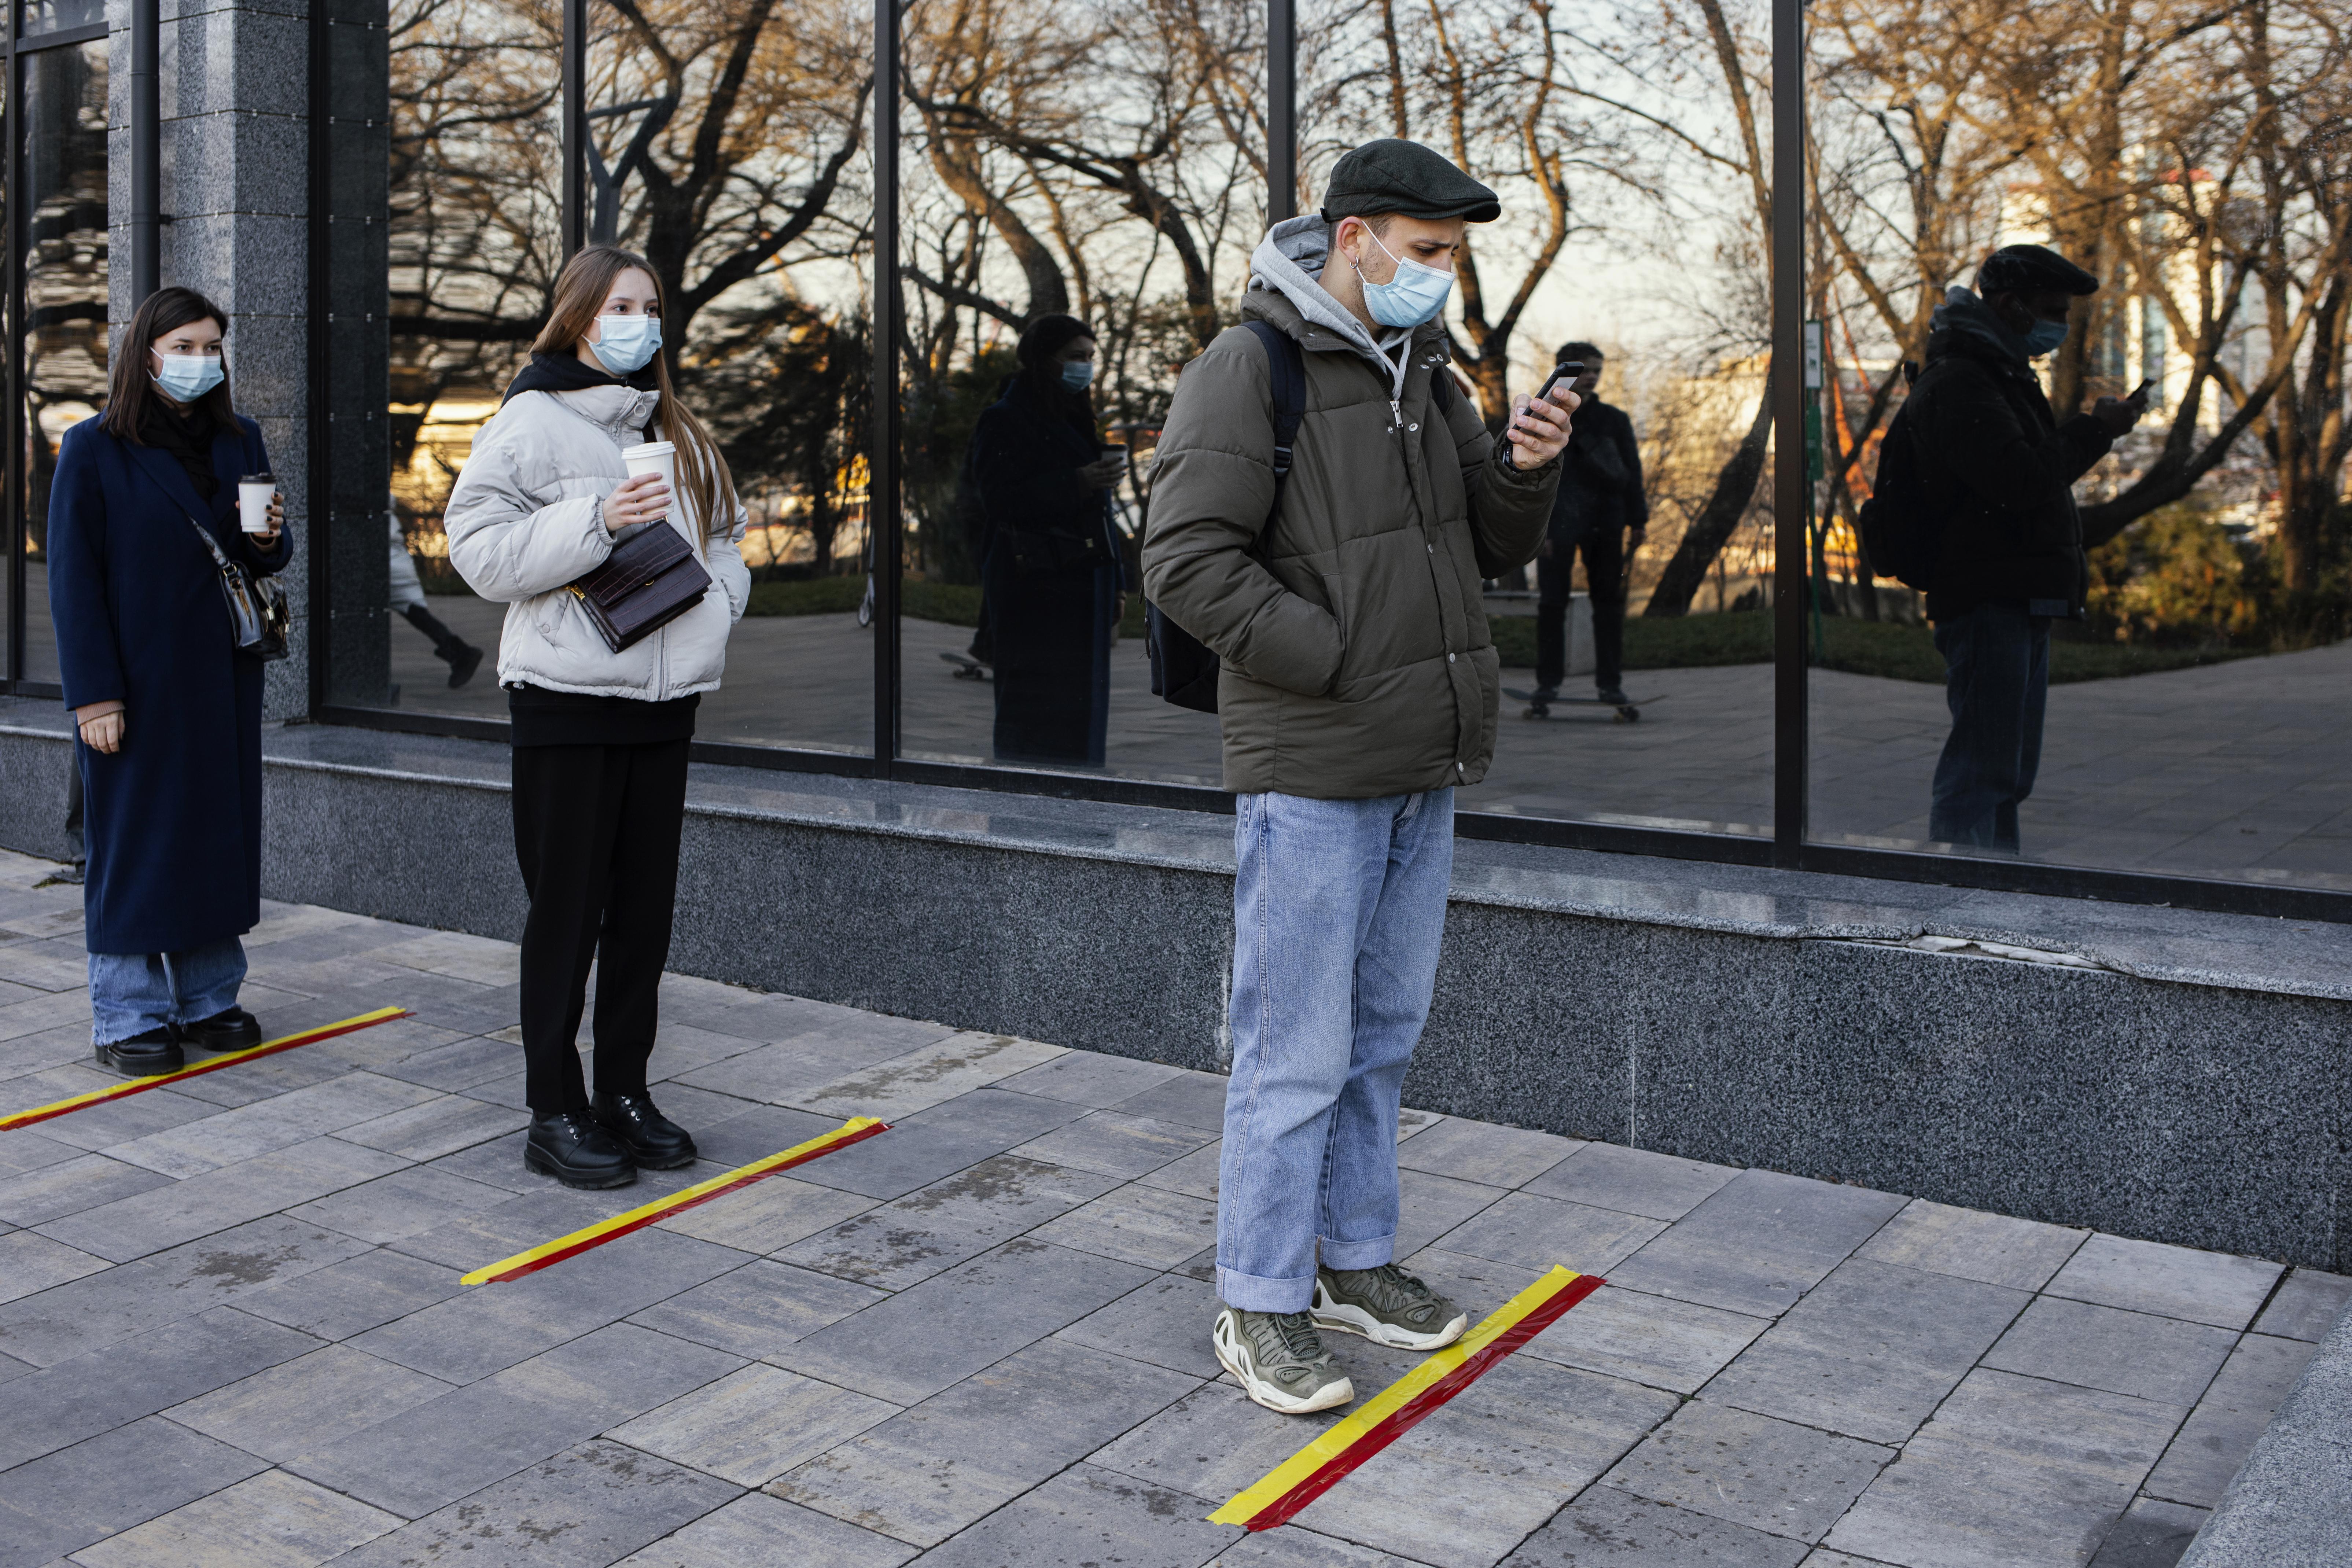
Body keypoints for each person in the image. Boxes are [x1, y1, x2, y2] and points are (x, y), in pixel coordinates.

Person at [1142, 139, 1575, 1414]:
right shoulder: (1250, 365)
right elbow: (1183, 557)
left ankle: (1353, 1260)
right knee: (1292, 1046)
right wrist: (1330, 657)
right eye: (1426, 253)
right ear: (1355, 240)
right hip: (1316, 760)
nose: (1441, 277)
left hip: (1418, 756)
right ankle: (1256, 1295)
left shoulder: (1423, 373)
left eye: (1453, 257)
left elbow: (1479, 543)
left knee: (1378, 1035)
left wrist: (1526, 470)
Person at [445, 244, 751, 1189]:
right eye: (620, 304)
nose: (638, 321)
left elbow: (734, 540)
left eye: (650, 306)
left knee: (643, 920)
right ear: (577, 316)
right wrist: (599, 523)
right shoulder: (529, 421)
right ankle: (553, 1106)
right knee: (566, 916)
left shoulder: (682, 428)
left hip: (664, 711)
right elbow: (478, 550)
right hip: (566, 706)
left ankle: (625, 1091)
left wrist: (718, 604)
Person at [46, 286, 289, 1075]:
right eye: (183, 347)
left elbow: (258, 560)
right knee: (134, 844)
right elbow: (73, 583)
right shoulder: (94, 447)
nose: (199, 361)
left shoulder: (238, 439)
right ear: (145, 353)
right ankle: (128, 1012)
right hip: (135, 681)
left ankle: (209, 996)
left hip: (220, 677)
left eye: (211, 347)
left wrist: (270, 540)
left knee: (213, 836)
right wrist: (95, 695)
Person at [1910, 243, 2146, 851]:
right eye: (2050, 310)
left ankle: (1995, 896)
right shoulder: (1965, 379)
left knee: (2005, 774)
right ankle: (1958, 905)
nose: (2058, 326)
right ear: (2009, 305)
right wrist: (2097, 429)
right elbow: (2020, 481)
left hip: (2015, 594)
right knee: (1981, 772)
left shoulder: (1998, 374)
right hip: (1990, 595)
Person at [971, 315, 1127, 765]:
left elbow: (1101, 513)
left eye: (1091, 358)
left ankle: (1079, 798)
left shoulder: (1076, 416)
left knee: (1080, 710)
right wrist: (1076, 481)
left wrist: (1116, 581)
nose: (1086, 367)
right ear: (1044, 361)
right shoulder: (1003, 420)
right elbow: (997, 501)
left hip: (1083, 584)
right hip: (1033, 588)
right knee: (1035, 712)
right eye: (1076, 357)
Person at [1532, 344, 1646, 712]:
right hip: (1558, 525)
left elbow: (1632, 471)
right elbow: (1530, 476)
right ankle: (1547, 685)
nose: (1594, 376)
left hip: (1606, 523)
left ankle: (1611, 686)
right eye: (1586, 369)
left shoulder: (1613, 419)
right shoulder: (1543, 416)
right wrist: (1539, 530)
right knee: (1551, 605)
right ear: (1564, 370)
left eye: (1598, 369)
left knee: (1609, 605)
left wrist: (1638, 521)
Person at [389, 500, 484, 688]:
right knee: (415, 612)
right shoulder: (383, 501)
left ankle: (461, 653)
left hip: (388, 559)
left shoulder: (368, 500)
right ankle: (460, 653)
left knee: (413, 612)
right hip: (396, 559)